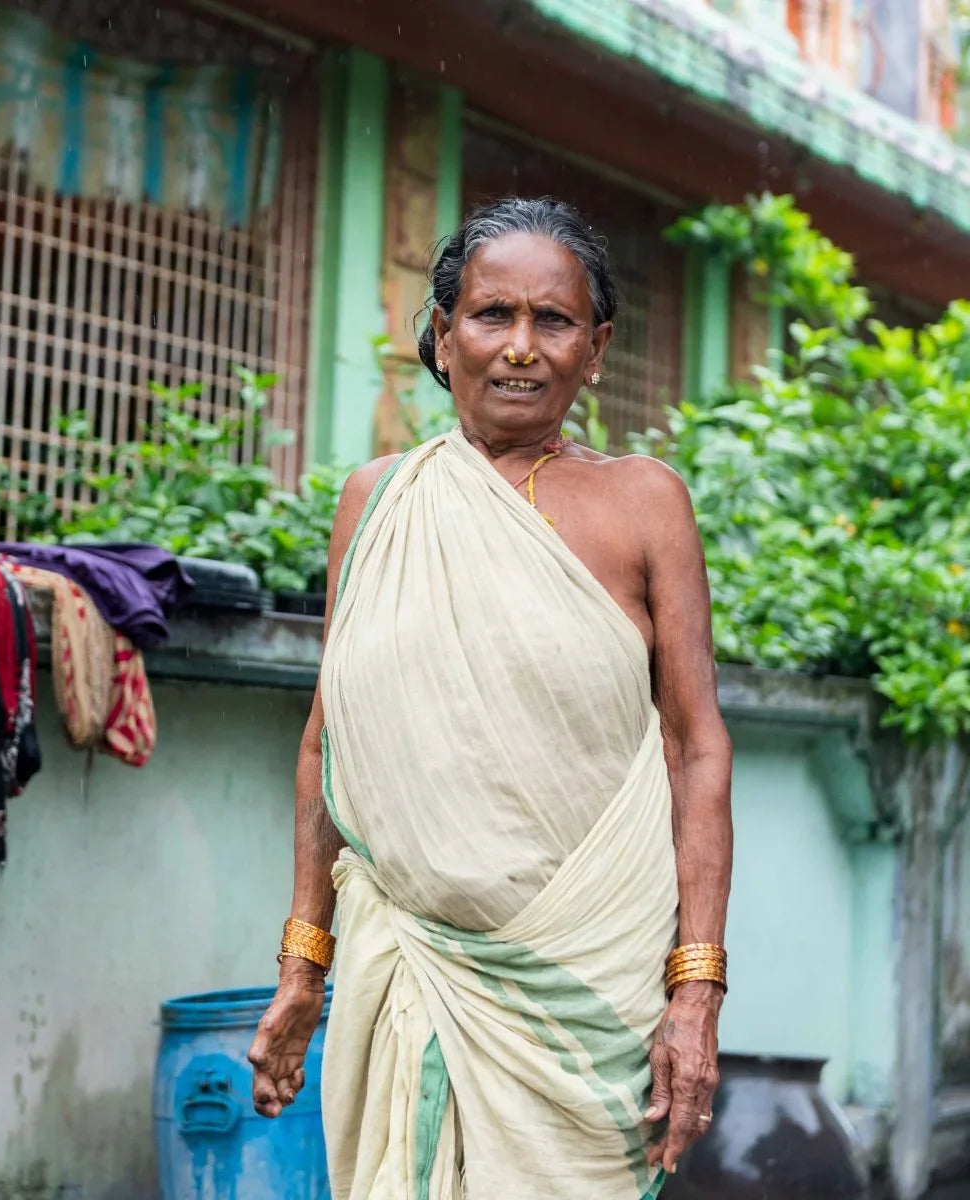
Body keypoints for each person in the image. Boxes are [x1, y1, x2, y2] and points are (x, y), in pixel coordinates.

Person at [248, 196, 733, 1200]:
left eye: (552, 321)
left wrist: (696, 991)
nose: (520, 347)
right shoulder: (377, 502)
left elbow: (696, 748)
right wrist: (304, 962)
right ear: (441, 334)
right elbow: (326, 742)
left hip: (585, 991)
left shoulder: (645, 503)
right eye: (489, 315)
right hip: (408, 964)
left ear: (595, 349)